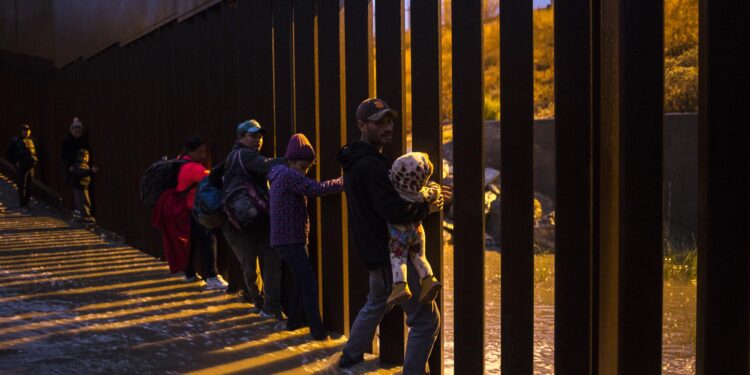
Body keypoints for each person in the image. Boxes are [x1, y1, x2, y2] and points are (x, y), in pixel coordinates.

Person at [335, 98, 445, 373]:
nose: (388, 127)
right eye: (379, 122)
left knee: (376, 302)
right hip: (390, 254)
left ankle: (348, 360)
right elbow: (394, 211)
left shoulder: (355, 160)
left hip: (373, 251)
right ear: (362, 125)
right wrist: (426, 206)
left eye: (389, 120)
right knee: (425, 320)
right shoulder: (371, 166)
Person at [268, 133, 344, 340]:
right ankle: (318, 334)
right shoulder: (289, 176)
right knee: (310, 286)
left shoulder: (279, 175)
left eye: (308, 168)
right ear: (291, 160)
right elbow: (316, 189)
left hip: (286, 239)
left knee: (302, 282)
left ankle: (293, 324)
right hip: (292, 239)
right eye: (302, 167)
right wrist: (342, 182)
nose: (305, 172)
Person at [222, 119, 286, 319]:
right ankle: (270, 307)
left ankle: (258, 303)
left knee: (250, 266)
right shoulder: (245, 154)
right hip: (253, 220)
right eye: (252, 136)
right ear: (241, 137)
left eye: (260, 136)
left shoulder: (232, 156)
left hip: (237, 221)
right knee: (271, 261)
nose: (258, 140)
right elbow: (266, 165)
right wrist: (294, 158)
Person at [386, 152, 443, 306]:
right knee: (419, 256)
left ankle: (400, 286)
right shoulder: (421, 193)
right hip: (417, 231)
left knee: (398, 259)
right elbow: (435, 191)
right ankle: (429, 280)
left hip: (398, 235)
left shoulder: (395, 191)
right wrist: (433, 186)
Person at [177, 136, 228, 290]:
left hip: (184, 210)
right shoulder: (193, 169)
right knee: (209, 238)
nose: (203, 156)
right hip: (195, 209)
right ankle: (212, 276)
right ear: (191, 152)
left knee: (192, 242)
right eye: (200, 152)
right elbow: (212, 178)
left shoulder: (180, 162)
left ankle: (189, 272)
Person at [62, 117, 90, 218]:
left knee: (83, 190)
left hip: (82, 168)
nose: (77, 131)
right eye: (75, 129)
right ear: (72, 130)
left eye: (79, 129)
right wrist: (69, 166)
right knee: (76, 190)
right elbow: (64, 155)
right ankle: (79, 210)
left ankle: (84, 211)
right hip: (73, 169)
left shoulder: (83, 141)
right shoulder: (67, 141)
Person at [5, 124, 38, 210]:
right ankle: (22, 204)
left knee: (29, 185)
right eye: (23, 130)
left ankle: (27, 203)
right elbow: (8, 153)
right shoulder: (15, 141)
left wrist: (35, 160)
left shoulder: (31, 140)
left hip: (30, 165)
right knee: (21, 185)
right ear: (20, 131)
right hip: (21, 165)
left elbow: (34, 152)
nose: (25, 132)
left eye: (26, 131)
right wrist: (15, 162)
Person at [68, 148, 99, 223]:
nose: (87, 158)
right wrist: (91, 170)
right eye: (86, 157)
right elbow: (81, 173)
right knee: (83, 202)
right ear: (83, 157)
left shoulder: (79, 165)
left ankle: (82, 215)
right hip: (81, 186)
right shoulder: (80, 165)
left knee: (82, 201)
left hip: (82, 186)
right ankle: (86, 217)